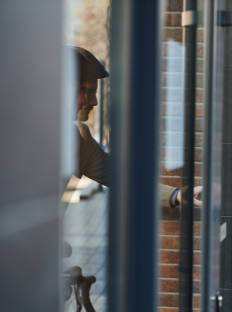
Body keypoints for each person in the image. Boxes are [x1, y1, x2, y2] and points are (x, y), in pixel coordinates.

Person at [71, 46, 201, 207]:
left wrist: (177, 195)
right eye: (87, 91)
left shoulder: (78, 139)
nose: (94, 102)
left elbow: (122, 179)